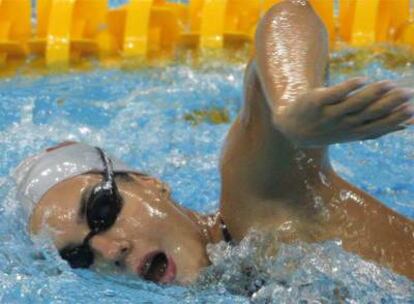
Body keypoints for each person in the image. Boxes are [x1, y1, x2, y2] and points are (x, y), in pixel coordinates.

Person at [13, 0, 414, 284]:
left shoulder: (259, 203)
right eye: (79, 256)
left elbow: (289, 14)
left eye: (102, 209)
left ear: (151, 183)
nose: (109, 249)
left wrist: (292, 106)